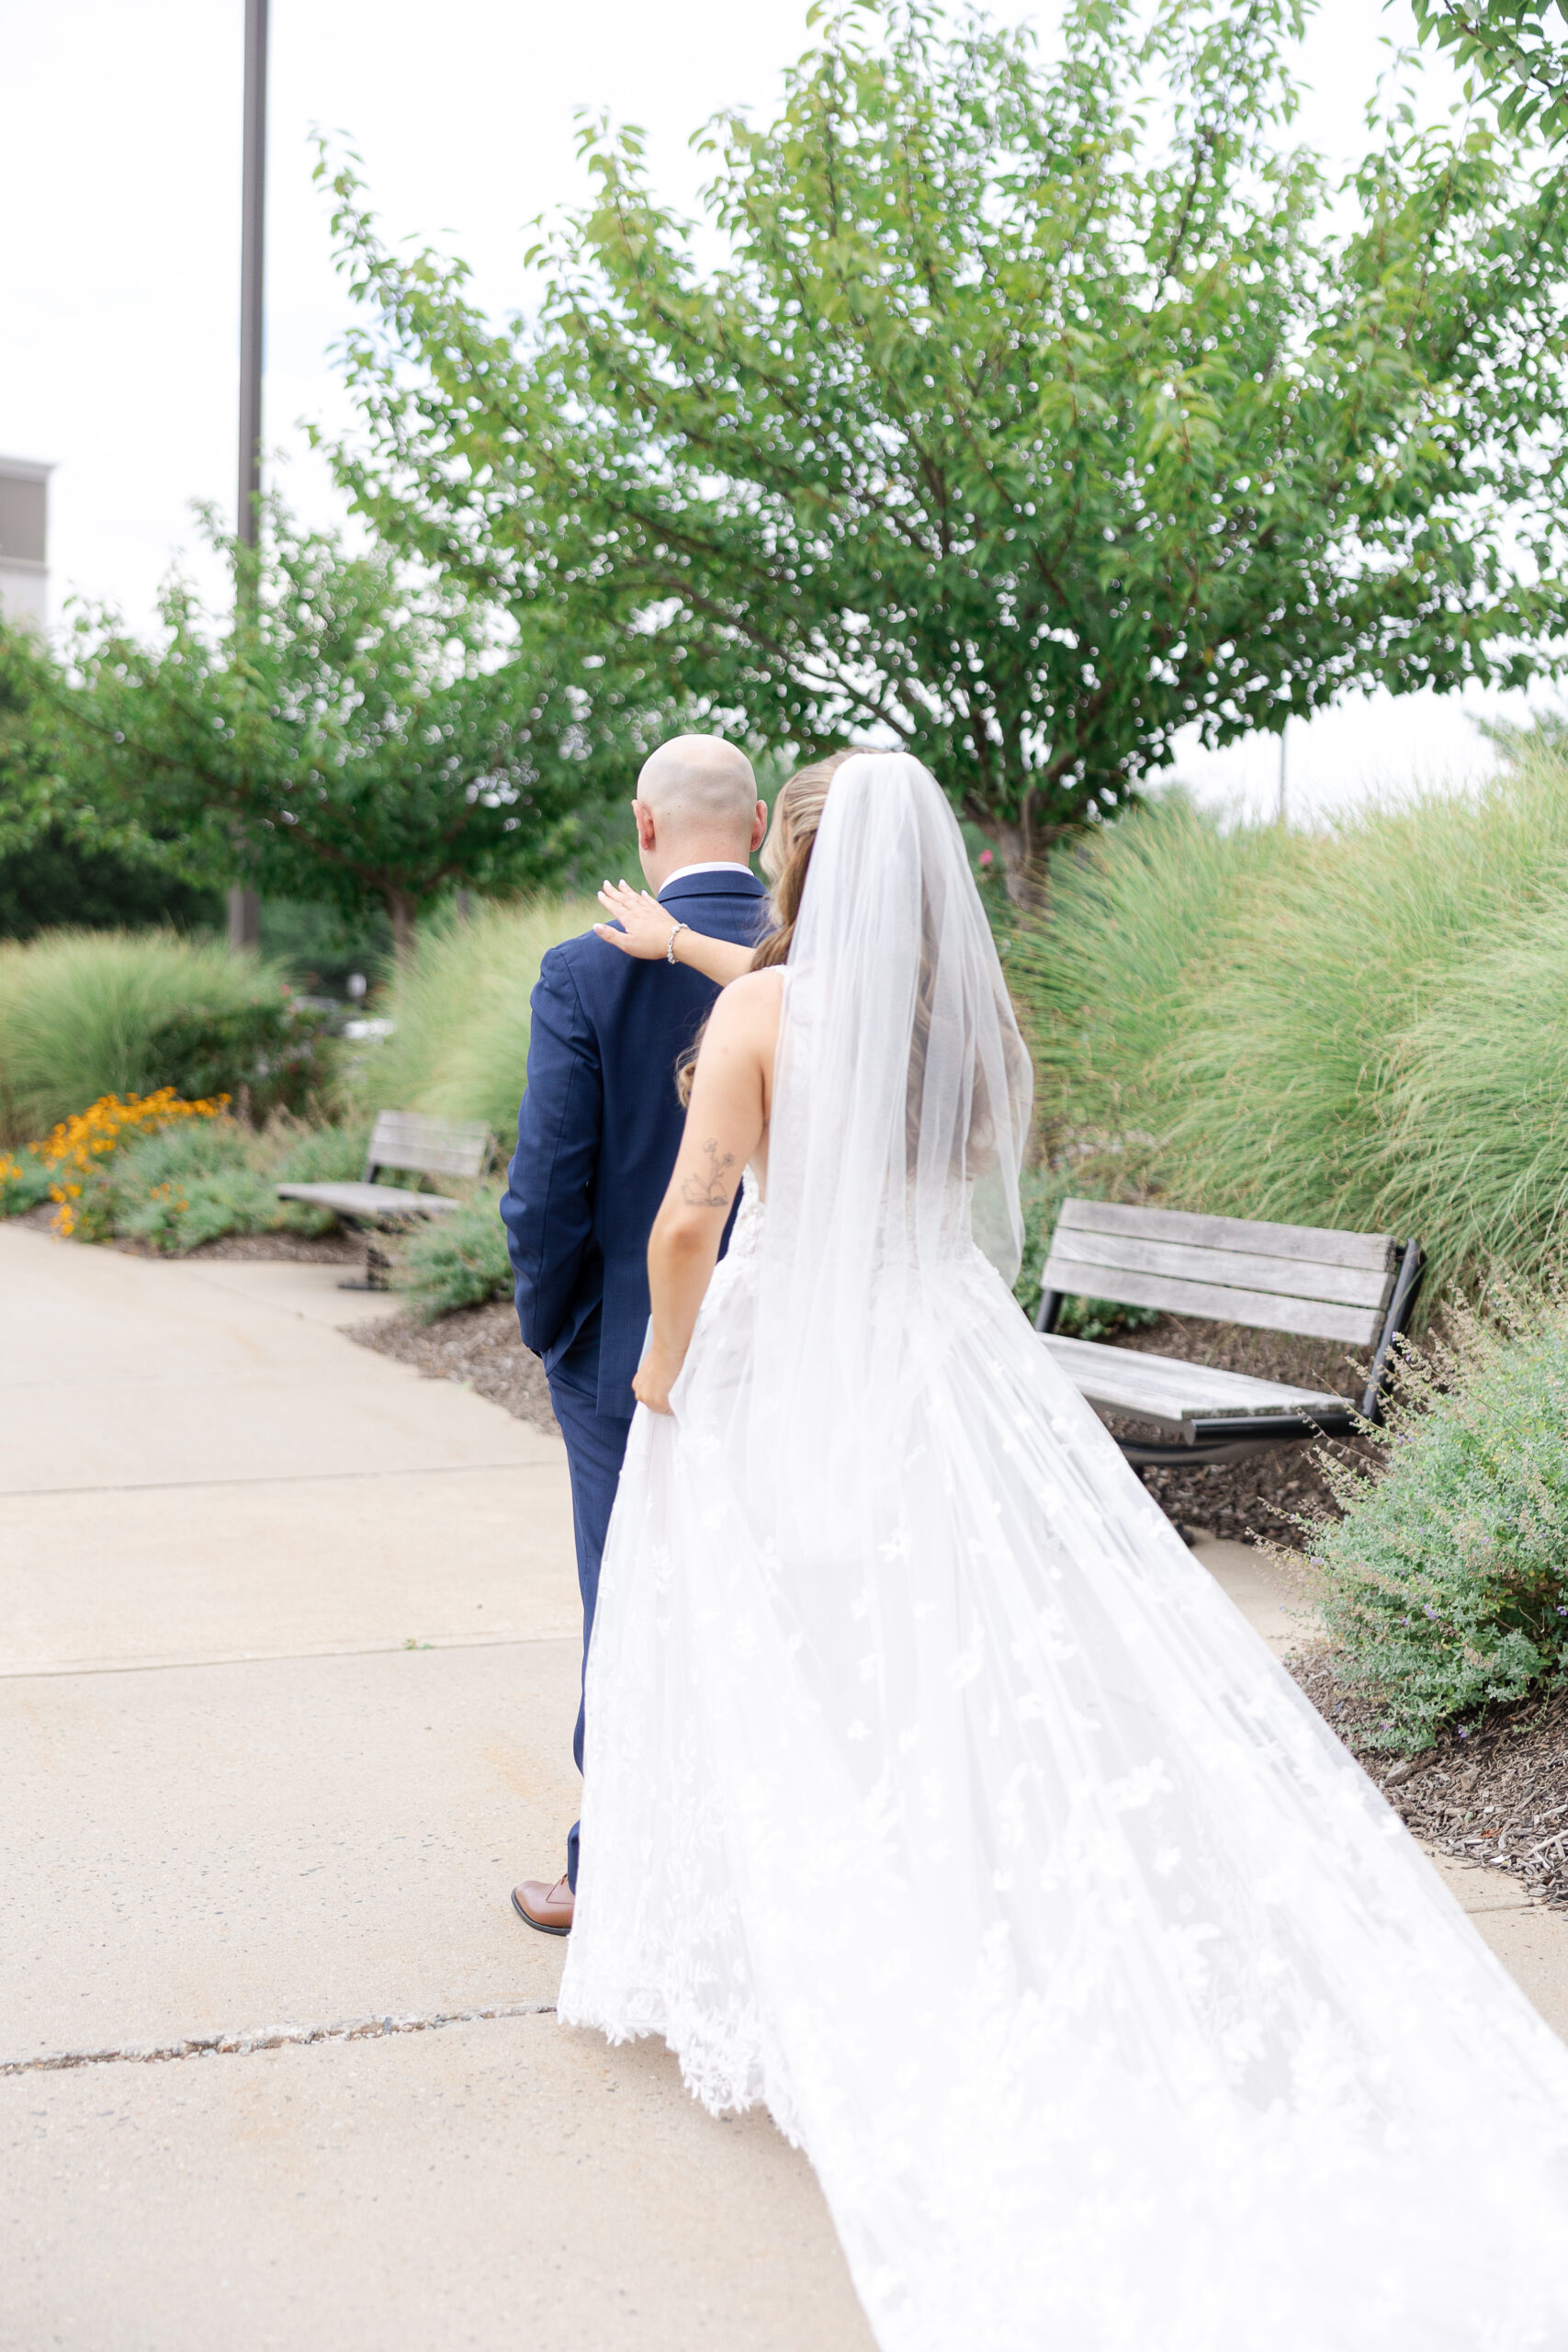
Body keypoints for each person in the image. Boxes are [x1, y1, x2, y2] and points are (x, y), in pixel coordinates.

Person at [560, 751, 1568, 2349]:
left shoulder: (758, 1017)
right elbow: (958, 1194)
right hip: (943, 1366)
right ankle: (949, 1900)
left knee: (788, 1644)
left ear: (803, 861)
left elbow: (691, 1220)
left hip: (782, 1366)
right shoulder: (972, 1031)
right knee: (945, 1639)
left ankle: (812, 1939)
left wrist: (663, 1364)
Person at [500, 732, 768, 1935]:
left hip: (626, 1354)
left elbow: (546, 1185)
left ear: (642, 826)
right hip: (800, 1343)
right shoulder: (822, 963)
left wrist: (556, 1332)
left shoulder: (584, 970)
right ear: (760, 828)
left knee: (634, 1597)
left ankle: (608, 1867)